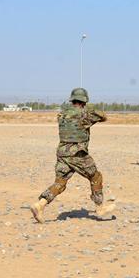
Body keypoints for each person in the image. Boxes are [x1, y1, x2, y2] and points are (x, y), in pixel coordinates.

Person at [30, 88, 116, 222]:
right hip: (77, 153)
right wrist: (91, 108)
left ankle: (40, 204)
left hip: (62, 153)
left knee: (60, 183)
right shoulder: (85, 114)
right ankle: (100, 207)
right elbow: (103, 116)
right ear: (84, 101)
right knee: (96, 177)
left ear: (72, 100)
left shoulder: (62, 114)